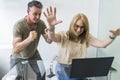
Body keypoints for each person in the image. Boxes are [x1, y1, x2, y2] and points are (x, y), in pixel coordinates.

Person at [43, 7, 120, 80]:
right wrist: (51, 27)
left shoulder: (86, 37)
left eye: (82, 27)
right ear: (72, 24)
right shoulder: (64, 35)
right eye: (76, 26)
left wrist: (113, 35)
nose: (79, 30)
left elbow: (102, 44)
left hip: (79, 70)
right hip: (63, 68)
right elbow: (53, 37)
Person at [10, 1, 52, 80]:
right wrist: (29, 39)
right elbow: (16, 49)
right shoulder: (19, 25)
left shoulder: (41, 23)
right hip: (18, 57)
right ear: (28, 12)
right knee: (18, 78)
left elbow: (49, 41)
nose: (38, 17)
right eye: (35, 14)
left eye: (39, 14)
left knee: (42, 74)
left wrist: (51, 28)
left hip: (33, 55)